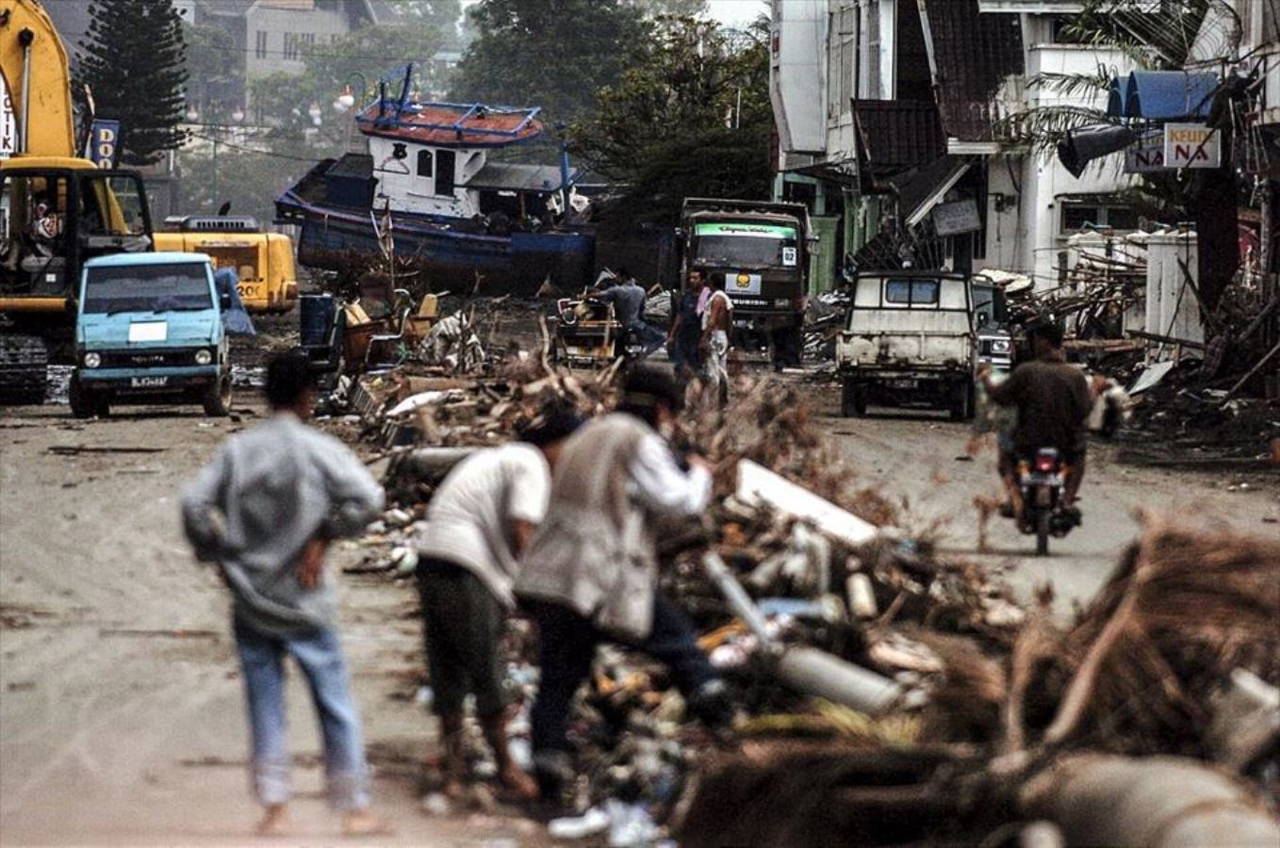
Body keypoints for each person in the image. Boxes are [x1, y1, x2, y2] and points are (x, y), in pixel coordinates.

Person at [180, 351, 389, 838]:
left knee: (265, 702)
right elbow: (368, 499)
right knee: (333, 700)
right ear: (306, 397)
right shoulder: (318, 450)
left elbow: (194, 504)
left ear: (265, 393)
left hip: (251, 597)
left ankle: (275, 808)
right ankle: (353, 806)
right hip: (306, 597)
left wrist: (217, 554)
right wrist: (324, 535)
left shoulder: (239, 451)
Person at [516, 364, 732, 806]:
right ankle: (722, 720)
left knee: (559, 676)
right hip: (599, 573)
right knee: (675, 640)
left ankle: (548, 769)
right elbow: (678, 501)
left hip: (551, 572)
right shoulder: (638, 439)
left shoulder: (588, 434)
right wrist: (700, 473)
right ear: (661, 409)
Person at [411, 404, 583, 801]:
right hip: (466, 565)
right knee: (486, 667)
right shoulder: (530, 463)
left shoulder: (499, 458)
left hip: (433, 556)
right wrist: (545, 595)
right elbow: (525, 529)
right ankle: (506, 767)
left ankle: (453, 766)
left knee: (447, 666)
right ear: (554, 444)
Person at [978, 320, 1092, 523]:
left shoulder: (1026, 371)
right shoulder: (1075, 376)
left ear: (1044, 342)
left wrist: (986, 379)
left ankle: (1015, 499)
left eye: (1035, 340)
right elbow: (1084, 410)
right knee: (1079, 458)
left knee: (1005, 457)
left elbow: (1001, 397)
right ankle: (1066, 501)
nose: (1032, 344)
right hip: (1065, 443)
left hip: (1027, 441)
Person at [592, 269, 664, 356]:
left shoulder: (616, 290)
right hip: (637, 325)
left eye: (617, 277)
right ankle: (643, 354)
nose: (616, 279)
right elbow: (642, 311)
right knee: (660, 338)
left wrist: (585, 295)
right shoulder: (641, 291)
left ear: (623, 277)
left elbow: (600, 295)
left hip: (622, 325)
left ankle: (640, 355)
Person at [700, 275, 734, 406]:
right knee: (721, 369)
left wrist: (704, 338)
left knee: (712, 370)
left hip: (715, 335)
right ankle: (723, 399)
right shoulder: (725, 298)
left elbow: (712, 320)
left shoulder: (717, 299)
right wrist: (729, 337)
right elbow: (730, 322)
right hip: (722, 335)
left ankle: (712, 401)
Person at [668, 268, 707, 378]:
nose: (692, 280)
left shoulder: (706, 296)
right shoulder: (687, 295)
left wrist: (704, 338)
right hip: (683, 335)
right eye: (690, 278)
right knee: (679, 364)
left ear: (703, 280)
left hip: (697, 335)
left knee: (696, 366)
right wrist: (672, 335)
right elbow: (679, 316)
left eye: (695, 278)